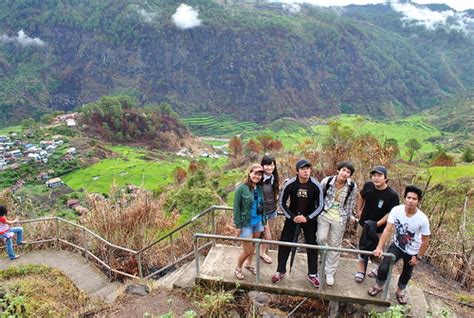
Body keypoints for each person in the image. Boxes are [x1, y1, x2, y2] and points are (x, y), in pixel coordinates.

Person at [368, 185, 430, 305]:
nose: (411, 201)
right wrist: (379, 247)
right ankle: (379, 285)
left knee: (407, 272)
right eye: (408, 197)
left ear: (418, 201)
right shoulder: (397, 210)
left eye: (414, 199)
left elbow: (425, 240)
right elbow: (387, 229)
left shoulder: (422, 219)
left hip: (413, 250)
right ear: (405, 198)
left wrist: (418, 256)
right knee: (384, 266)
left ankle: (400, 291)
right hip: (397, 245)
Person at [271, 159, 324, 288]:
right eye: (303, 169)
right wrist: (292, 216)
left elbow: (321, 205)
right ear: (297, 171)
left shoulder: (316, 185)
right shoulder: (290, 184)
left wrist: (308, 218)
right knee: (285, 243)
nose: (306, 171)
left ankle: (312, 274)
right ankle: (280, 270)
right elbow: (282, 203)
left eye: (308, 169)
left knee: (312, 245)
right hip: (292, 217)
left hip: (309, 219)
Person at [355, 166, 399, 283]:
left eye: (379, 175)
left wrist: (376, 224)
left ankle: (380, 268)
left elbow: (391, 213)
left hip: (380, 229)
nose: (376, 178)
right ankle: (361, 270)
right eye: (374, 175)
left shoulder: (392, 195)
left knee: (377, 251)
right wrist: (359, 210)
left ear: (386, 178)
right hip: (363, 224)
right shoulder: (368, 186)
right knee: (362, 248)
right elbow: (361, 196)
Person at [317, 161, 358, 286]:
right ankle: (323, 257)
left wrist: (350, 216)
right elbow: (318, 198)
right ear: (338, 170)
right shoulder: (326, 181)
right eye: (343, 170)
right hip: (324, 214)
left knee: (335, 245)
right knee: (321, 238)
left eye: (348, 172)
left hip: (340, 217)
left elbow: (350, 204)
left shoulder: (352, 187)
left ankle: (329, 271)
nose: (345, 174)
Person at [233, 164, 266, 280]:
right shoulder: (241, 189)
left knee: (253, 246)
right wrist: (238, 225)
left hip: (258, 222)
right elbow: (236, 208)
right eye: (255, 173)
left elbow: (263, 205)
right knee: (247, 250)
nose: (257, 176)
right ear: (249, 173)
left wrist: (264, 221)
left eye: (260, 174)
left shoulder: (260, 188)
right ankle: (238, 268)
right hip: (246, 223)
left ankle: (249, 264)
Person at [259, 155, 280, 265]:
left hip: (272, 210)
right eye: (267, 165)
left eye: (272, 165)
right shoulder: (259, 179)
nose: (269, 167)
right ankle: (262, 253)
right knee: (268, 236)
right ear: (262, 166)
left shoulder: (274, 177)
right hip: (263, 212)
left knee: (267, 233)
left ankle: (262, 250)